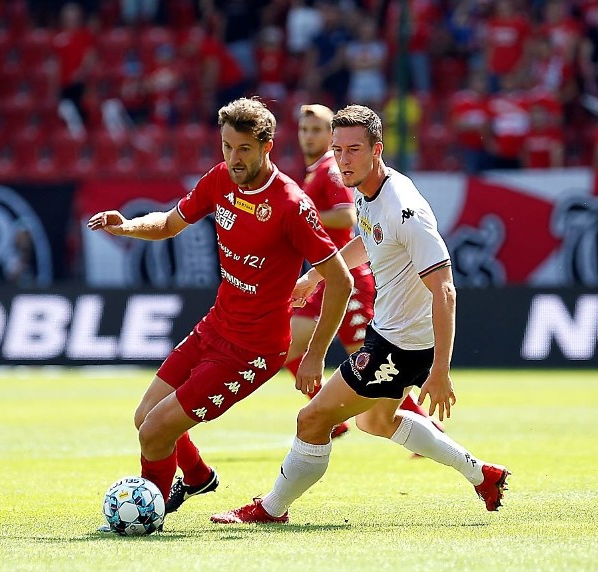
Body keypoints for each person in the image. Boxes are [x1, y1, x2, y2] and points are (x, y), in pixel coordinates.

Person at [210, 105, 510, 525]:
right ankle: (484, 475)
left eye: (353, 150)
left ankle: (271, 508)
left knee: (312, 418)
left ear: (377, 149)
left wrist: (440, 370)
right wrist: (317, 276)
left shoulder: (405, 209)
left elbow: (445, 290)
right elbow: (367, 242)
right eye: (338, 150)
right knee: (376, 420)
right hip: (390, 335)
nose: (343, 160)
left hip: (400, 346)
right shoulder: (369, 190)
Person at [88, 97, 353, 527]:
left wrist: (315, 354)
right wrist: (127, 225)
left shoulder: (291, 204)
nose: (233, 158)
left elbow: (340, 281)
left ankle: (146, 519)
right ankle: (196, 476)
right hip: (216, 325)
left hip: (253, 349)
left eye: (243, 148)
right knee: (144, 418)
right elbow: (170, 223)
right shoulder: (219, 180)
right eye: (227, 146)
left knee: (155, 431)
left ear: (267, 147)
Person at [290, 104, 440, 440]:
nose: (309, 136)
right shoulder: (337, 175)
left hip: (350, 281)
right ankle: (327, 413)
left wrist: (295, 218)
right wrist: (314, 275)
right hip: (331, 274)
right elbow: (365, 231)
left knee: (373, 364)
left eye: (317, 130)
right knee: (294, 345)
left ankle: (425, 425)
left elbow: (344, 220)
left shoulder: (336, 173)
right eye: (304, 129)